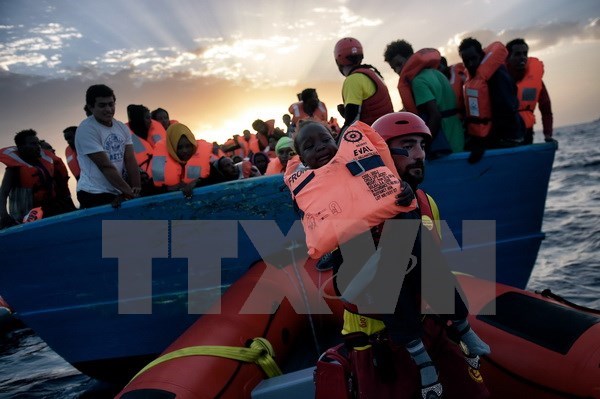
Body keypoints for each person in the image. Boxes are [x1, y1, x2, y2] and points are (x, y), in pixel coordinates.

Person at [371, 112, 491, 398]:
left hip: (434, 327)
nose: (420, 155)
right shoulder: (358, 211)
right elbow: (345, 283)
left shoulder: (426, 202)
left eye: (422, 146)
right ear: (384, 153)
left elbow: (436, 264)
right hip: (382, 340)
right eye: (409, 146)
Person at [383, 40, 465, 157]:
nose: (398, 71)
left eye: (399, 64)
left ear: (411, 58)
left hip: (446, 144)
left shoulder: (418, 82)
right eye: (394, 68)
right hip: (458, 136)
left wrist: (421, 147)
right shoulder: (436, 73)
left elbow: (435, 116)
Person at [458, 38, 525, 163]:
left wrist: (483, 143)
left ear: (482, 55)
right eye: (466, 61)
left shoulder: (497, 76)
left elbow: (506, 111)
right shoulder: (475, 78)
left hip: (508, 136)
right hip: (493, 135)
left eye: (473, 58)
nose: (471, 64)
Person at [75, 84, 141, 208]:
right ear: (90, 107)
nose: (108, 109)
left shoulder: (121, 127)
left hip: (117, 190)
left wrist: (136, 187)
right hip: (93, 192)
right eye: (102, 105)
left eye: (111, 104)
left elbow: (130, 159)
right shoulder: (86, 129)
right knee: (112, 227)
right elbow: (105, 166)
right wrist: (129, 193)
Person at [0, 129, 76, 228]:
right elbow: (3, 192)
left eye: (37, 144)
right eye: (33, 144)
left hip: (49, 210)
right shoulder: (13, 169)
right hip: (26, 217)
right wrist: (4, 215)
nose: (38, 147)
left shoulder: (46, 163)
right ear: (21, 147)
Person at [334, 37, 394, 131]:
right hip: (388, 131)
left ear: (338, 61)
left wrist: (336, 142)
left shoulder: (353, 79)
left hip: (374, 138)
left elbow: (352, 123)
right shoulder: (372, 73)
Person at [505, 38, 554, 144]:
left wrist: (548, 134)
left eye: (525, 53)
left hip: (527, 132)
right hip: (505, 134)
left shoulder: (535, 81)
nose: (522, 57)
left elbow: (546, 109)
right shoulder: (499, 79)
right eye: (517, 54)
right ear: (508, 58)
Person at [150, 123, 211, 197]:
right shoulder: (160, 164)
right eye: (179, 147)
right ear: (171, 148)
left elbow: (218, 179)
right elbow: (149, 189)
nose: (184, 150)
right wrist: (167, 189)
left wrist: (197, 182)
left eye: (188, 146)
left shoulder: (209, 168)